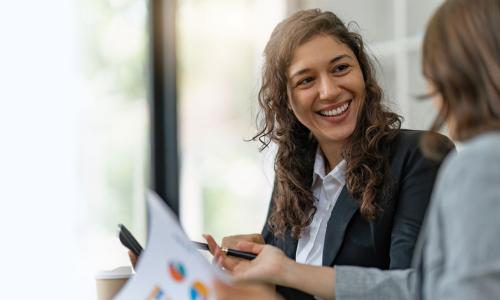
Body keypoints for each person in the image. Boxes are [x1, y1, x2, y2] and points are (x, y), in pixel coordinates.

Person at [212, 0, 500, 299]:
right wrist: (253, 269)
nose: (329, 91)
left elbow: (415, 289)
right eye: (306, 80)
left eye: (340, 68)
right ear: (286, 101)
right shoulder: (293, 173)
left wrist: (279, 276)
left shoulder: (420, 156)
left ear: (363, 73)